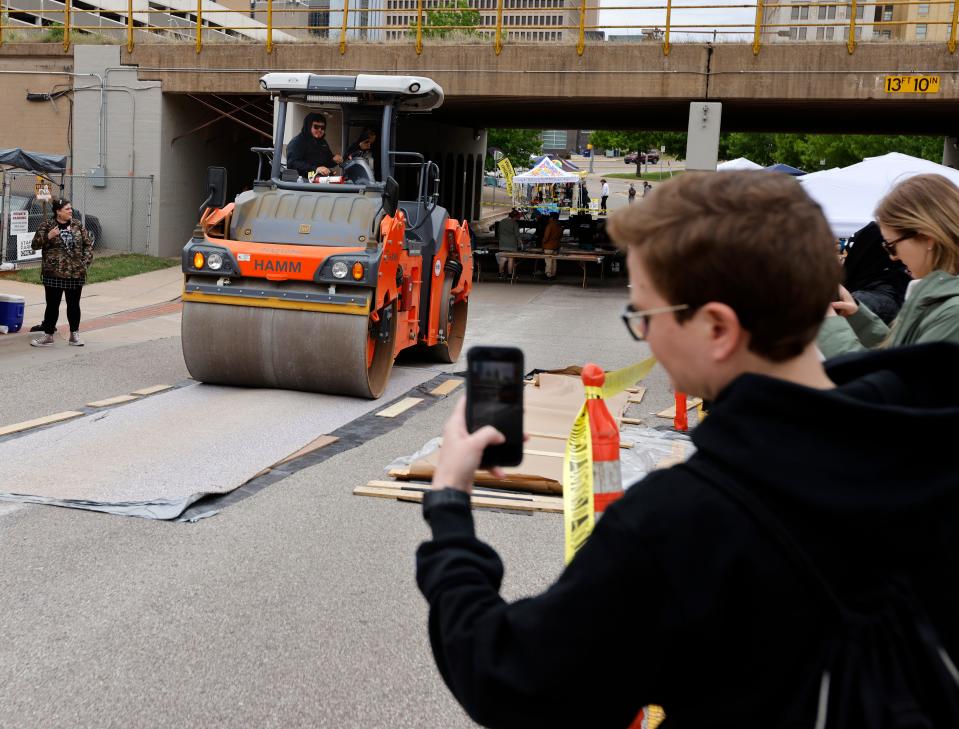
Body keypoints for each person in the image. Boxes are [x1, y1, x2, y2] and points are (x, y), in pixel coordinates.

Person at [415, 171, 959, 726]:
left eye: (645, 316)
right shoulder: (928, 449)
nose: (645, 337)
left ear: (717, 328)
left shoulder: (683, 520)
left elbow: (508, 677)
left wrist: (451, 504)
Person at [819, 173, 959, 358]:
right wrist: (858, 318)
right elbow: (899, 356)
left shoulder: (953, 312)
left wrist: (829, 325)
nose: (893, 257)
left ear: (926, 237)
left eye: (891, 246)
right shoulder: (938, 297)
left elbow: (897, 382)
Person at [29, 198, 93, 347]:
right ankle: (48, 336)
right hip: (53, 273)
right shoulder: (47, 225)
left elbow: (88, 245)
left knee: (74, 305)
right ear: (58, 211)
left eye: (70, 208)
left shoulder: (77, 225)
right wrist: (48, 236)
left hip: (75, 273)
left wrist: (84, 264)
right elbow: (34, 245)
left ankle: (74, 336)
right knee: (52, 305)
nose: (70, 211)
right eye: (67, 209)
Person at [839, 221, 911, 324]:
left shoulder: (863, 300)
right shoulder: (893, 288)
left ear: (862, 258)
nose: (840, 262)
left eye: (845, 256)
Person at [285, 112, 342, 179]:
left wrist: (334, 160)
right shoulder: (297, 142)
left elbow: (326, 162)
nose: (320, 130)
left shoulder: (322, 142)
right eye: (316, 127)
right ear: (309, 126)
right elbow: (292, 163)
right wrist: (316, 169)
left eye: (322, 127)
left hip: (318, 180)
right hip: (302, 182)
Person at [493, 209, 522, 279]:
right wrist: (520, 243)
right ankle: (509, 275)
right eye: (517, 217)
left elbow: (498, 233)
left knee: (502, 258)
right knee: (510, 259)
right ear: (515, 217)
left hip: (502, 243)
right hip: (512, 244)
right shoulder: (514, 223)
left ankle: (500, 274)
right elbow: (517, 234)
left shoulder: (502, 222)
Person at [541, 211, 561, 279]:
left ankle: (548, 274)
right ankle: (553, 274)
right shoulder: (559, 225)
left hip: (548, 246)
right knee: (554, 261)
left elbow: (546, 237)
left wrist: (543, 243)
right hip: (556, 246)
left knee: (548, 261)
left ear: (551, 218)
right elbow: (560, 236)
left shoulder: (549, 225)